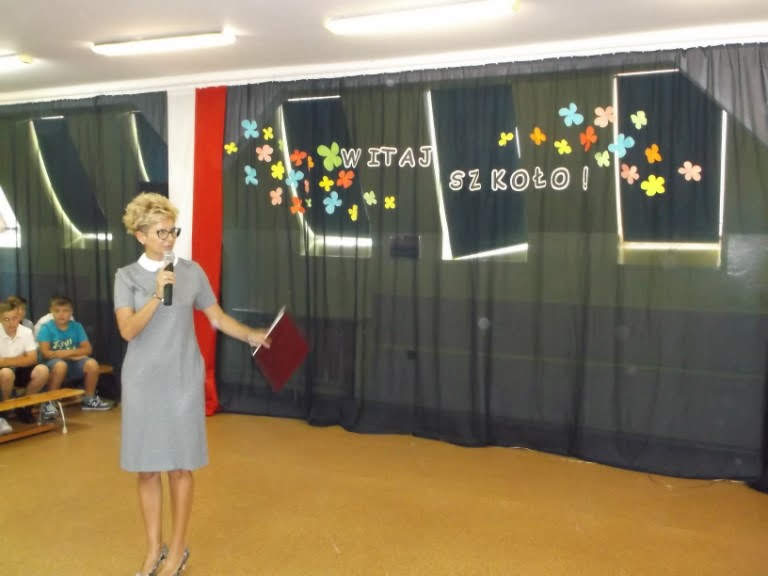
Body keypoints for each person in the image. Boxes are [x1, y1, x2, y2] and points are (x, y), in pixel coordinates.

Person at [114, 192, 270, 576]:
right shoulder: (126, 276)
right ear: (140, 235)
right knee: (147, 469)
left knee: (181, 469)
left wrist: (250, 334)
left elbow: (216, 317)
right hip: (142, 382)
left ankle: (178, 549)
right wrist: (156, 294)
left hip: (183, 380)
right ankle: (154, 549)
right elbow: (128, 330)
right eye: (161, 232)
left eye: (173, 230)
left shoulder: (192, 272)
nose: (170, 238)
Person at [37, 296, 112, 411]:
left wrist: (65, 353)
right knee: (61, 365)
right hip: (52, 365)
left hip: (73, 363)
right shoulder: (46, 328)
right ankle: (49, 403)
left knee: (92, 364)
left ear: (71, 312)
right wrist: (75, 354)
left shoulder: (77, 326)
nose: (61, 314)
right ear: (51, 312)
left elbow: (88, 349)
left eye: (65, 311)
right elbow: (46, 353)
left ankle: (89, 399)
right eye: (57, 311)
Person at [0, 300, 50, 430]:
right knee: (6, 373)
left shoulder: (26, 331)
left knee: (43, 370)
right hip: (3, 372)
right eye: (6, 319)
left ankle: (23, 405)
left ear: (19, 317)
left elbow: (32, 359)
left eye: (14, 318)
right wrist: (21, 359)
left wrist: (5, 361)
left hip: (20, 370)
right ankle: (4, 410)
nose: (11, 323)